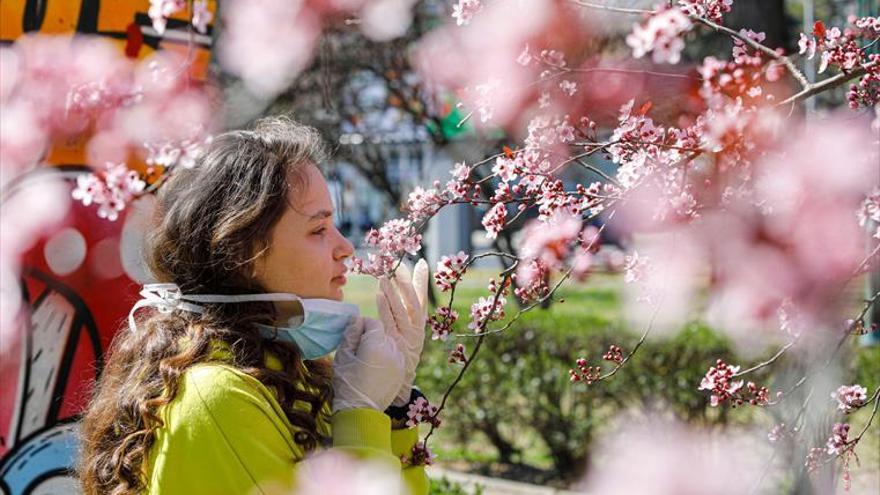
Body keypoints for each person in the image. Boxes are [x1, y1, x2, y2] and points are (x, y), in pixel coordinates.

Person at [78, 116, 430, 495]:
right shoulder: (217, 398)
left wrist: (393, 411)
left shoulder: (287, 370)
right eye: (318, 230)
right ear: (243, 254)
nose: (345, 248)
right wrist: (360, 415)